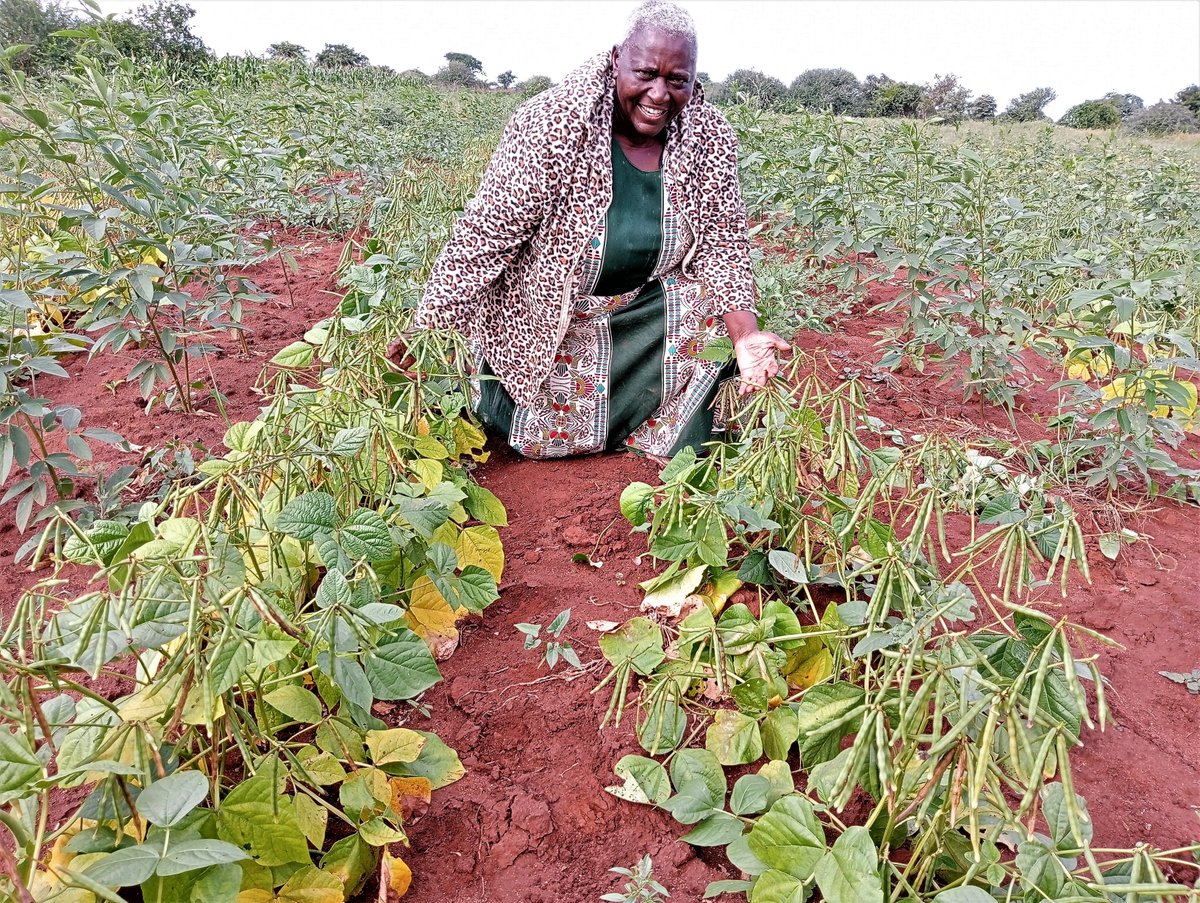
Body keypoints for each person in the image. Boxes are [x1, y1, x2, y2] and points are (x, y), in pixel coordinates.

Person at [395, 0, 788, 459]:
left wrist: (745, 337)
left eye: (677, 79)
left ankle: (666, 435)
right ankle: (523, 414)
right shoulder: (552, 124)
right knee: (529, 427)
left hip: (641, 313)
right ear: (617, 58)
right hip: (549, 322)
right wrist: (425, 332)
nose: (660, 94)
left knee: (714, 308)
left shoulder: (707, 134)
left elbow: (723, 242)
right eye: (645, 73)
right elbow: (485, 238)